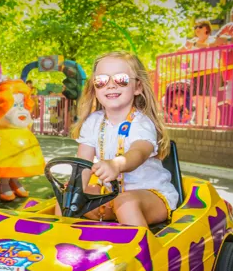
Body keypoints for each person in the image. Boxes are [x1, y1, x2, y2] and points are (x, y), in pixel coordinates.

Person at [65, 51, 178, 228]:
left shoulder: (141, 123)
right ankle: (61, 246)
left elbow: (138, 152)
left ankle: (142, 253)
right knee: (68, 196)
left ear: (138, 86)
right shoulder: (93, 122)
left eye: (121, 79)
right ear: (95, 88)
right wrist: (74, 189)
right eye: (101, 81)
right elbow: (82, 166)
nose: (110, 86)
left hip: (152, 196)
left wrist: (117, 164)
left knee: (125, 203)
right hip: (112, 194)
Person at [0, 79, 45, 201]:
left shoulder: (21, 128)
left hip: (18, 152)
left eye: (21, 105)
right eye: (15, 105)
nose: (20, 110)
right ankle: (4, 183)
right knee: (4, 165)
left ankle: (14, 180)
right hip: (3, 154)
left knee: (16, 165)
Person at [178, 19, 221, 125]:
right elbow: (179, 51)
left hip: (210, 72)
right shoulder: (193, 41)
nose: (196, 29)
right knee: (198, 102)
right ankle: (200, 126)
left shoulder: (211, 39)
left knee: (210, 102)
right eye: (195, 27)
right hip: (196, 74)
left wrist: (195, 43)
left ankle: (213, 127)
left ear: (206, 28)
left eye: (199, 27)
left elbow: (211, 46)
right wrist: (185, 46)